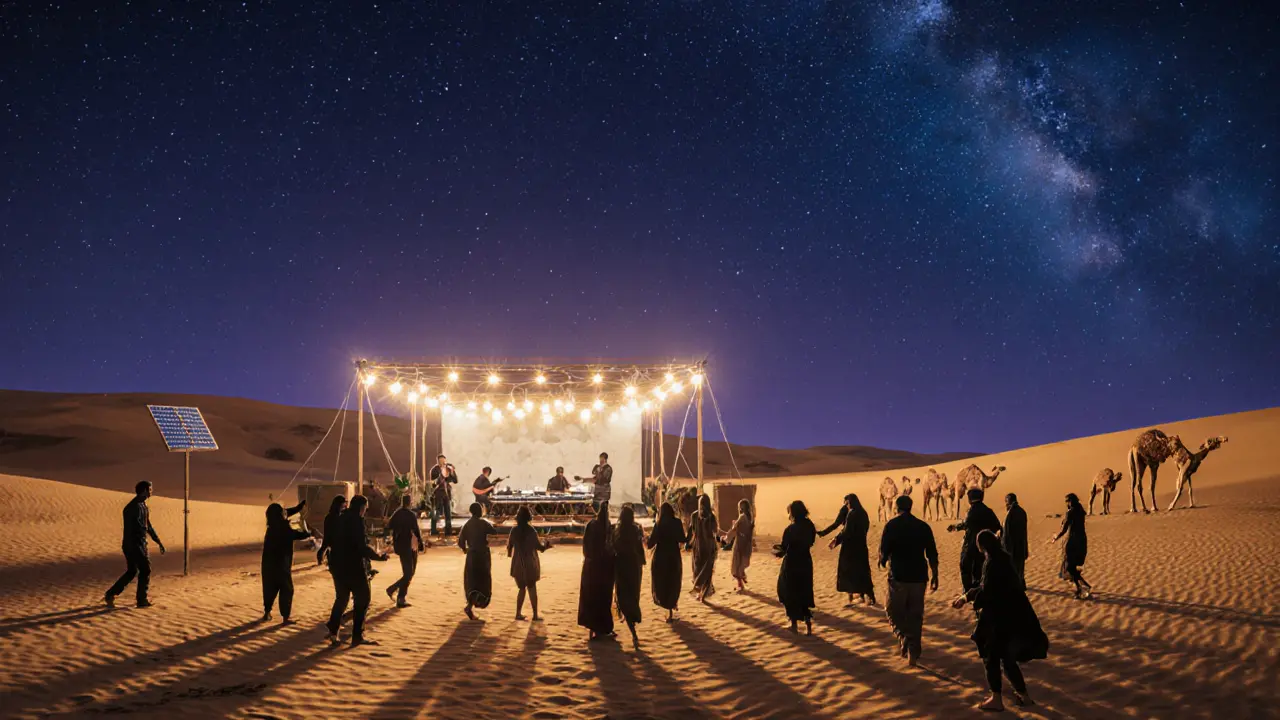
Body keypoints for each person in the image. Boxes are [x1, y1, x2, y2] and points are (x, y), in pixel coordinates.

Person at [951, 530, 1049, 711]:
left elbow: (987, 590)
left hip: (999, 618)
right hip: (1013, 615)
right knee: (1007, 658)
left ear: (982, 546)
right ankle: (1024, 696)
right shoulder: (1003, 558)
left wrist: (965, 598)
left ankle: (996, 698)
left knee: (991, 656)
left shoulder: (993, 562)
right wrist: (968, 596)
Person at [879, 495, 939, 666]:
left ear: (896, 508)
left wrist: (882, 560)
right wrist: (935, 574)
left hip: (899, 576)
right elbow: (932, 553)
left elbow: (884, 551)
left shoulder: (891, 525)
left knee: (892, 610)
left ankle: (903, 636)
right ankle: (913, 652)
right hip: (919, 577)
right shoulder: (923, 526)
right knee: (915, 615)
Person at [325, 495, 389, 647]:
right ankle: (357, 636)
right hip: (352, 566)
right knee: (363, 599)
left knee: (341, 598)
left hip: (337, 566)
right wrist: (378, 556)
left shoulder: (340, 518)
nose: (365, 511)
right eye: (365, 508)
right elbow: (361, 547)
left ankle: (333, 630)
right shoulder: (356, 522)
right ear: (361, 508)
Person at [105, 480, 166, 608]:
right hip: (133, 545)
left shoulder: (143, 506)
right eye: (149, 489)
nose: (151, 492)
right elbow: (138, 528)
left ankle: (111, 594)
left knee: (132, 571)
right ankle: (141, 600)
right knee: (145, 569)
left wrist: (157, 540)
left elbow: (147, 525)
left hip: (138, 544)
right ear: (144, 490)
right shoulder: (132, 507)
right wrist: (141, 545)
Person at [817, 493, 878, 607]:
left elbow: (846, 531)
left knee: (848, 572)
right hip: (861, 547)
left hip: (850, 548)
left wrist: (835, 541)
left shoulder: (852, 514)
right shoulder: (863, 513)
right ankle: (868, 596)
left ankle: (853, 598)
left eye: (846, 503)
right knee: (862, 571)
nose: (845, 506)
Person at [261, 500, 310, 624]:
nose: (285, 512)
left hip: (267, 565)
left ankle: (267, 612)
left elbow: (286, 512)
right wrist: (306, 527)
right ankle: (285, 618)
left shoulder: (272, 527)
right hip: (281, 566)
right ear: (280, 515)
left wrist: (298, 508)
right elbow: (301, 535)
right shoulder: (284, 529)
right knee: (287, 590)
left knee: (269, 589)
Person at [948, 488, 1003, 592]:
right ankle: (979, 591)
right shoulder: (988, 511)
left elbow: (966, 524)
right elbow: (998, 527)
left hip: (970, 545)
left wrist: (955, 527)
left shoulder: (971, 511)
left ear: (970, 499)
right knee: (979, 569)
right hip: (985, 545)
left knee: (965, 567)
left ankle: (968, 591)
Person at [775, 500, 817, 634]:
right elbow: (811, 542)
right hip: (805, 561)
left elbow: (784, 548)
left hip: (792, 563)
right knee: (804, 592)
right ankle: (808, 626)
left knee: (788, 591)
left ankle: (794, 625)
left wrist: (777, 551)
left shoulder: (790, 529)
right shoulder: (810, 525)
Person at [578, 501, 616, 640]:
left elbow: (585, 547)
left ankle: (593, 629)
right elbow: (611, 549)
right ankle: (603, 628)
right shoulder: (608, 528)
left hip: (591, 567)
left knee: (591, 597)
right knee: (603, 598)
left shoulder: (592, 525)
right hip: (605, 569)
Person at [507, 505, 551, 621]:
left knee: (521, 589)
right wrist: (546, 546)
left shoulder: (514, 530)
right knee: (532, 588)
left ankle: (518, 613)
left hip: (517, 563)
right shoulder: (531, 531)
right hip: (530, 562)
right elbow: (539, 548)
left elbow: (509, 546)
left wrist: (509, 554)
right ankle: (535, 614)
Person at [457, 502, 497, 620]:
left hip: (471, 556)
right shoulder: (483, 523)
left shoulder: (467, 525)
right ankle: (474, 605)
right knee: (483, 581)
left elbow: (460, 542)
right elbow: (494, 531)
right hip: (482, 555)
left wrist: (466, 549)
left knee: (472, 582)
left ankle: (469, 606)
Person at [385, 494, 426, 608]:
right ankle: (398, 595)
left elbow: (389, 526)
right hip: (410, 545)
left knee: (408, 572)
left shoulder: (397, 514)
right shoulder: (410, 515)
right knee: (409, 573)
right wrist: (421, 544)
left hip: (401, 546)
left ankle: (397, 594)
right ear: (410, 502)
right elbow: (416, 530)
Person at [646, 501, 685, 622]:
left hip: (661, 557)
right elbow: (682, 539)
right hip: (673, 556)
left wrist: (646, 537)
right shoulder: (677, 522)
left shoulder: (659, 524)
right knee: (673, 581)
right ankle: (671, 608)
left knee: (662, 583)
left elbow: (650, 544)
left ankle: (668, 608)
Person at [613, 504, 647, 642]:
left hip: (621, 565)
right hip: (634, 566)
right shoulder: (636, 529)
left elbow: (613, 547)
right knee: (633, 594)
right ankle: (632, 625)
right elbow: (639, 548)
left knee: (622, 594)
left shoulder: (616, 530)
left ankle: (630, 624)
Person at [1050, 493, 1091, 599]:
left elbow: (1064, 529)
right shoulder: (1080, 510)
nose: (1066, 504)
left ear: (1070, 502)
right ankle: (1081, 588)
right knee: (1071, 566)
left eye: (1067, 501)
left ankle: (1083, 587)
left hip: (1073, 541)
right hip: (1081, 540)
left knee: (1069, 566)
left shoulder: (1071, 512)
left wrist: (1055, 537)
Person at [685, 494, 718, 603]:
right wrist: (687, 542)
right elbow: (691, 530)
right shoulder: (694, 516)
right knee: (697, 570)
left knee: (707, 571)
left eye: (704, 504)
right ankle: (700, 591)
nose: (702, 506)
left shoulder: (711, 517)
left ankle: (703, 595)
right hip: (698, 547)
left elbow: (714, 531)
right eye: (701, 503)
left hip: (708, 547)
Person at [725, 498, 755, 592]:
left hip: (740, 544)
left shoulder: (742, 516)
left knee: (736, 565)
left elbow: (735, 528)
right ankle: (741, 581)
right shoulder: (750, 517)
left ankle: (740, 582)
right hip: (747, 544)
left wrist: (726, 537)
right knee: (740, 565)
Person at [1002, 493, 1029, 586]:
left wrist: (1004, 549)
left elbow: (1006, 534)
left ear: (1008, 501)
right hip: (1021, 545)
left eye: (1006, 501)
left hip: (1012, 547)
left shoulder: (1010, 514)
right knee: (1020, 567)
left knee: (1012, 568)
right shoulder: (1022, 511)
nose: (1005, 504)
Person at [429, 455, 458, 536]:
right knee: (437, 512)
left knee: (448, 513)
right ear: (438, 461)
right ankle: (433, 530)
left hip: (446, 493)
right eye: (441, 461)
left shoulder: (449, 468)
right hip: (438, 493)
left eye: (444, 460)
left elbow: (455, 480)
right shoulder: (434, 470)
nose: (443, 462)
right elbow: (433, 483)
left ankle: (448, 530)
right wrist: (442, 473)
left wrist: (452, 471)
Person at [316, 495, 347, 566]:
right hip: (331, 534)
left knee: (325, 547)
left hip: (334, 535)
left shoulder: (338, 514)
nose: (345, 505)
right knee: (325, 546)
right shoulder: (332, 516)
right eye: (343, 503)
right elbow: (331, 527)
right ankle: (322, 559)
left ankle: (324, 559)